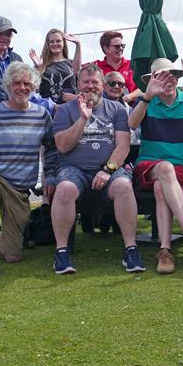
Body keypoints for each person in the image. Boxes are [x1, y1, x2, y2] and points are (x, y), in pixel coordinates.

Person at [0, 62, 56, 283]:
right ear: (8, 86)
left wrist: (51, 176)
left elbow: (51, 150)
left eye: (27, 83)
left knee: (14, 254)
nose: (22, 88)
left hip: (19, 188)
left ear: (33, 86)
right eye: (17, 83)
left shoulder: (42, 116)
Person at [50, 63, 143, 274]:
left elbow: (123, 145)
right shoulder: (64, 111)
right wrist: (83, 118)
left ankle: (131, 248)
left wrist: (108, 170)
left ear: (102, 85)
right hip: (74, 169)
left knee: (123, 186)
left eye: (95, 82)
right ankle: (61, 252)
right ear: (77, 85)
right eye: (86, 82)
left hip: (108, 168)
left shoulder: (117, 109)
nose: (90, 86)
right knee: (64, 188)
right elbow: (63, 146)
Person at [128, 58, 183, 274]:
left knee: (160, 186)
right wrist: (146, 96)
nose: (168, 79)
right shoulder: (146, 101)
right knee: (164, 168)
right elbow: (132, 124)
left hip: (178, 170)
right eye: (161, 75)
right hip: (148, 165)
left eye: (172, 74)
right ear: (152, 79)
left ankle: (165, 252)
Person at [29, 28, 82, 104]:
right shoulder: (42, 64)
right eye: (51, 42)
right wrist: (37, 68)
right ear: (48, 44)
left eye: (58, 41)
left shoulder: (72, 63)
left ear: (63, 43)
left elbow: (77, 71)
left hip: (68, 108)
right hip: (48, 109)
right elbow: (34, 89)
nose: (55, 44)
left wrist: (78, 44)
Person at [93, 30, 141, 103]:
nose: (121, 48)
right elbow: (77, 72)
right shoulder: (97, 66)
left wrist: (129, 97)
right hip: (103, 108)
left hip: (131, 108)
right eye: (117, 46)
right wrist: (78, 46)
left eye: (122, 46)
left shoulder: (133, 65)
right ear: (106, 48)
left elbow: (144, 89)